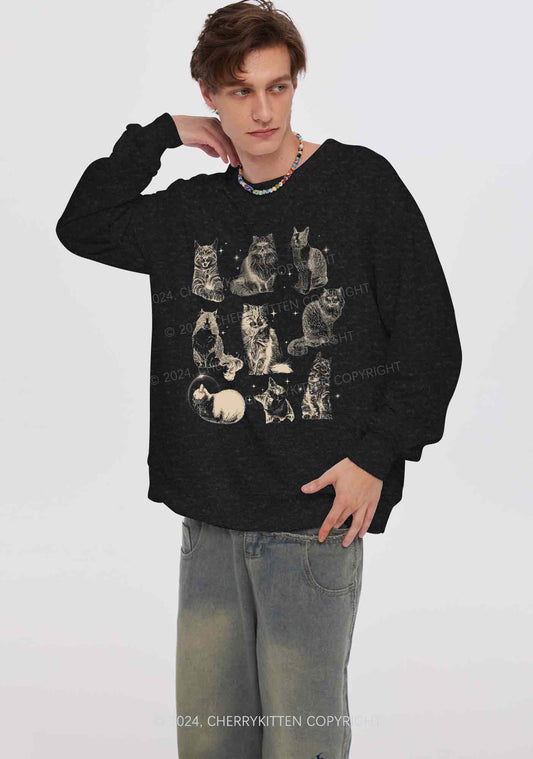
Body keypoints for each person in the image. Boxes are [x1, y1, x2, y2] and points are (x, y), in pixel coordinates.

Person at [55, 1, 462, 756]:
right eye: (241, 92)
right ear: (210, 94)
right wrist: (163, 133)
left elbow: (430, 343)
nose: (264, 111)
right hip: (209, 523)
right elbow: (83, 224)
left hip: (313, 522)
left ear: (296, 84)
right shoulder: (190, 213)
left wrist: (377, 456)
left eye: (278, 87)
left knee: (302, 744)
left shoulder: (360, 185)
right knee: (211, 744)